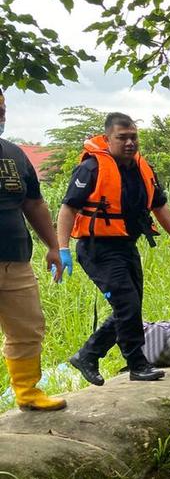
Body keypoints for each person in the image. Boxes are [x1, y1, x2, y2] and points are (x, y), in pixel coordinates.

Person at [58, 113, 170, 384]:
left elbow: (159, 204)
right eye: (122, 138)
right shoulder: (92, 168)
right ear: (108, 139)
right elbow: (68, 207)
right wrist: (63, 248)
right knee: (127, 304)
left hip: (126, 244)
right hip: (97, 248)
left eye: (133, 137)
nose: (129, 143)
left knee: (129, 306)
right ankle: (137, 364)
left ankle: (88, 354)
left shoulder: (142, 168)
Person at [0, 87, 67, 411]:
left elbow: (34, 203)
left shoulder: (14, 154)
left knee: (28, 327)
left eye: (2, 110)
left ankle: (27, 392)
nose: (0, 115)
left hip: (15, 261)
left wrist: (54, 246)